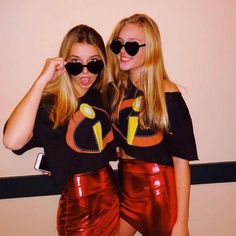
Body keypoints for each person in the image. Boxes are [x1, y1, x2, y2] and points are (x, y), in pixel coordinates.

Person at [3, 24, 119, 236]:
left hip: (110, 200)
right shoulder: (52, 104)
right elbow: (12, 141)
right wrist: (42, 80)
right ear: (64, 63)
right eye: (75, 64)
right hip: (77, 209)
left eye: (93, 63)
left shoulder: (104, 96)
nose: (85, 72)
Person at [106, 13, 198, 236]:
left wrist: (182, 223)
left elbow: (181, 160)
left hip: (159, 194)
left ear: (151, 48)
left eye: (132, 45)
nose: (122, 51)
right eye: (118, 44)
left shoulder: (167, 93)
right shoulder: (114, 92)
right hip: (126, 190)